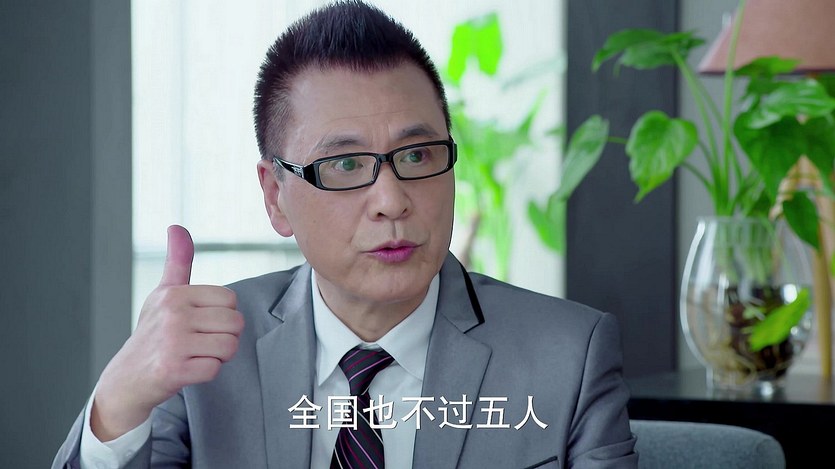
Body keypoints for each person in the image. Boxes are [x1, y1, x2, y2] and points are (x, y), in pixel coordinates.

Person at [53, 1, 637, 467]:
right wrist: (119, 402)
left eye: (417, 154)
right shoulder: (208, 357)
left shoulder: (569, 356)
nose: (391, 200)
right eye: (346, 164)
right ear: (275, 196)